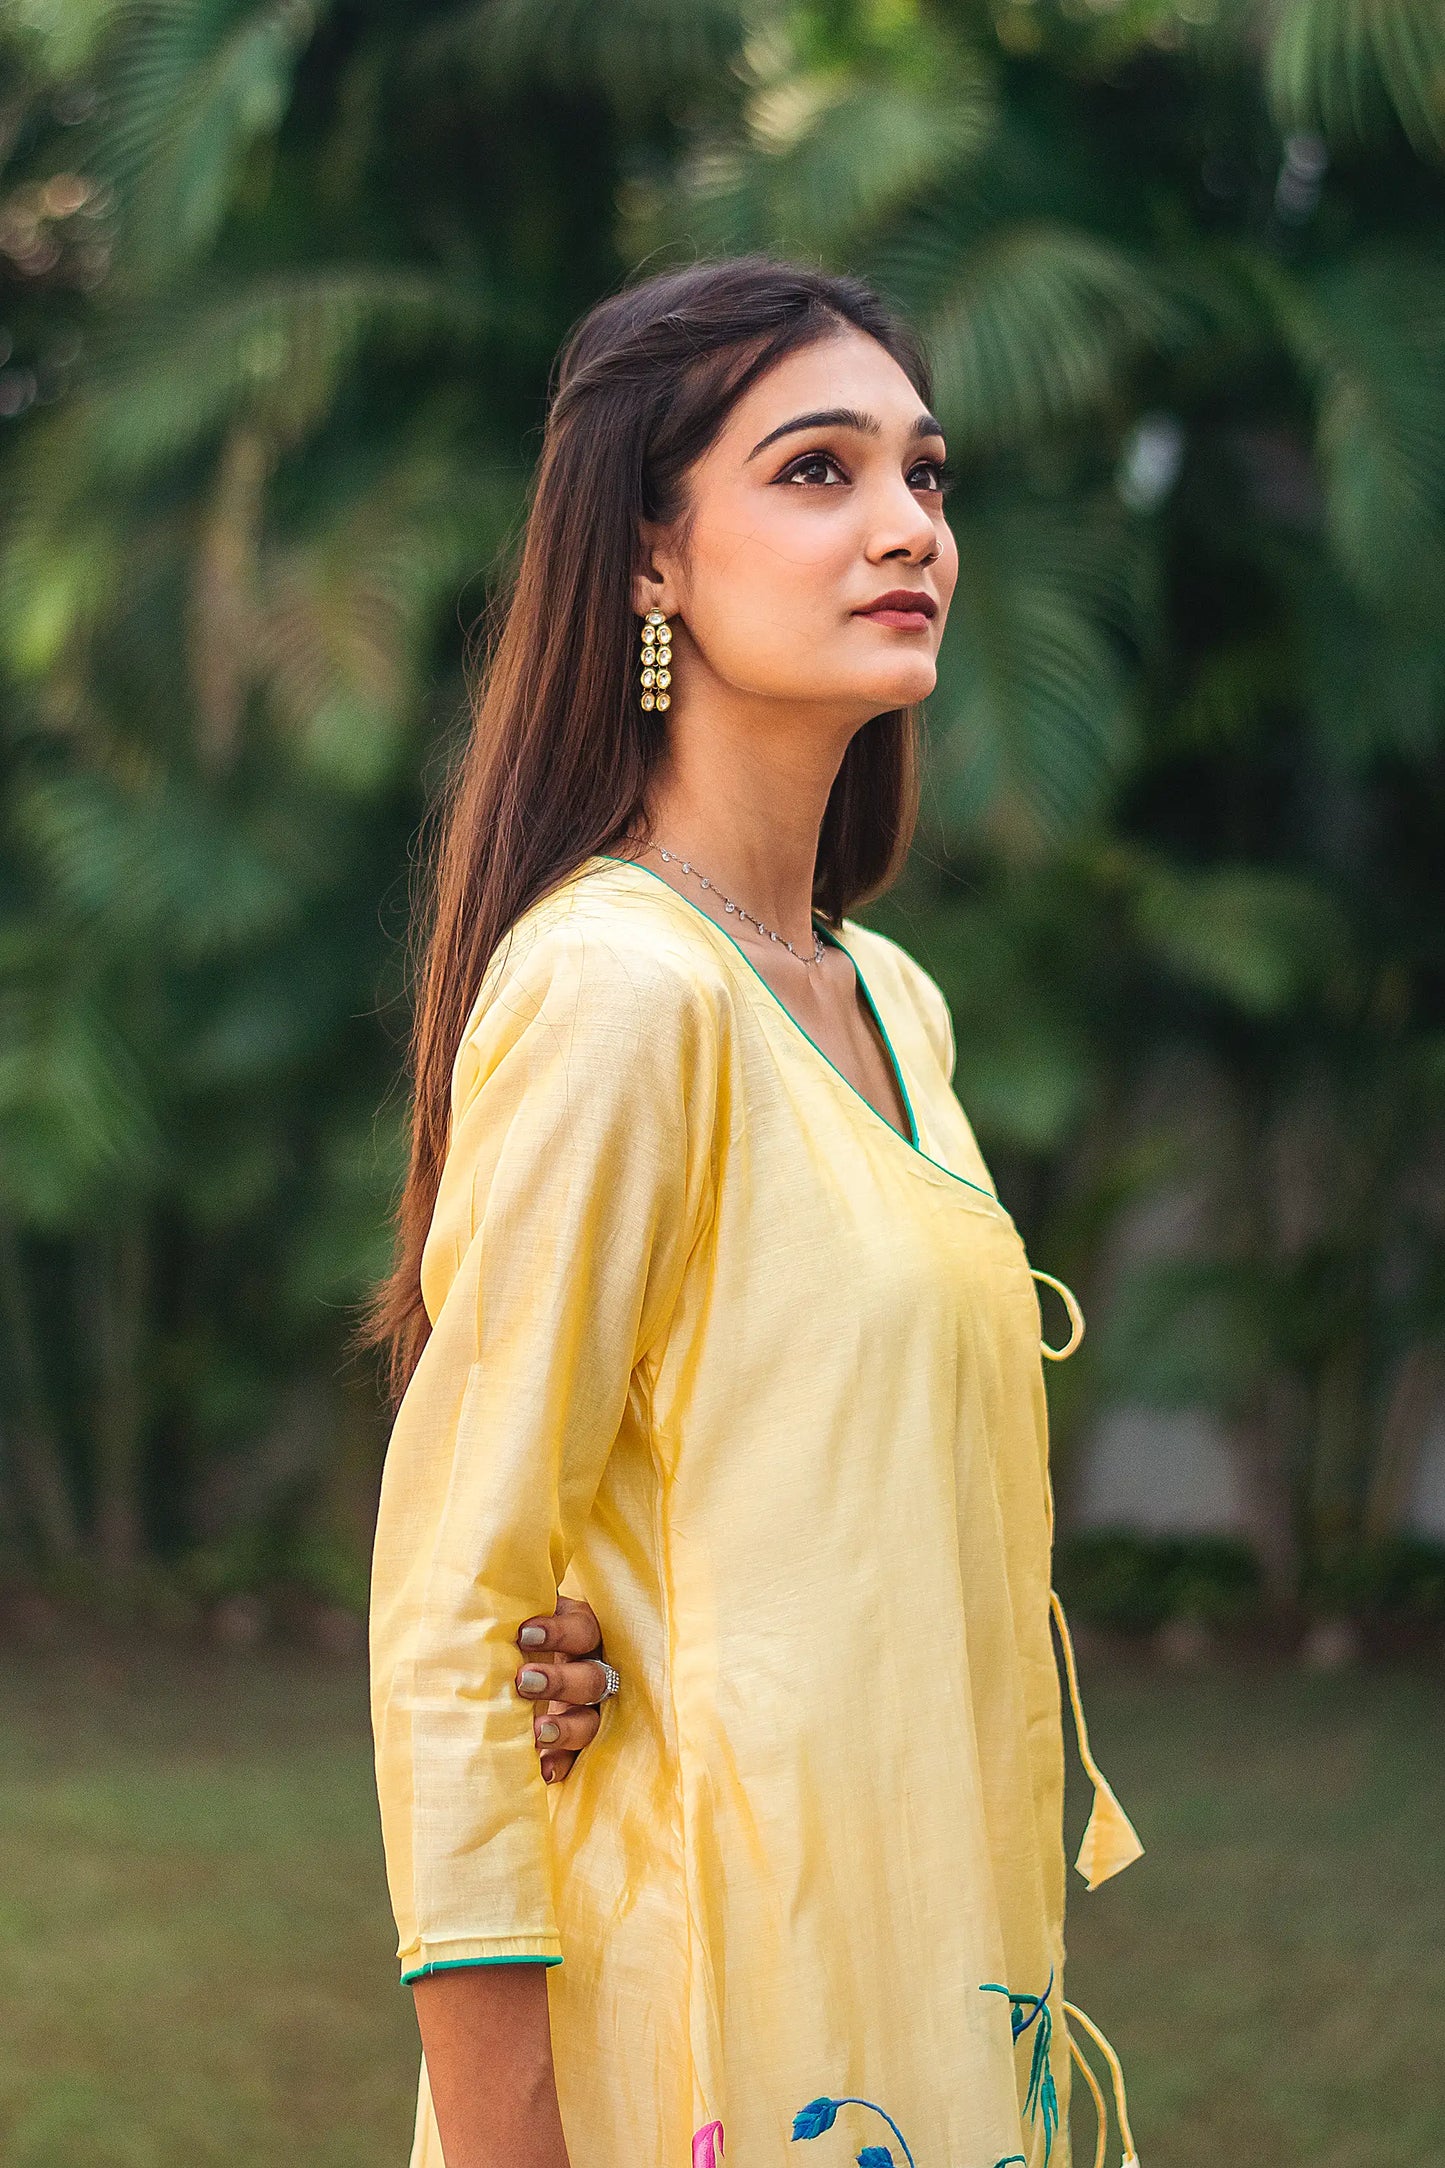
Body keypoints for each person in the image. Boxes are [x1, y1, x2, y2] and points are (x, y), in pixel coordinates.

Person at [365, 255, 1144, 2168]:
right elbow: (457, 1613)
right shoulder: (623, 991)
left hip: (936, 1987)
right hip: (702, 2027)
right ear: (649, 561)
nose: (906, 529)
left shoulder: (894, 1003)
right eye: (817, 471)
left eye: (926, 473)